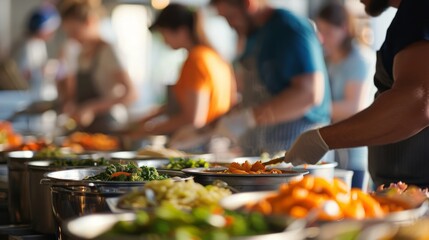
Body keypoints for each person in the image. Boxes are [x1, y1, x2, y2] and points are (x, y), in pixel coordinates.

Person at [285, 0, 429, 188]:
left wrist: (322, 139)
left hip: (419, 196)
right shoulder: (410, 15)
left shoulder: (419, 10)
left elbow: (416, 102)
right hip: (402, 190)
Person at [175, 0, 331, 156]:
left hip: (297, 152)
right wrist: (207, 129)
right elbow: (256, 97)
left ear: (249, 4)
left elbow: (308, 93)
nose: (230, 25)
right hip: (264, 152)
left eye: (231, 17)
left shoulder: (288, 29)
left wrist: (248, 119)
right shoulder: (254, 35)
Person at [127, 3, 235, 138]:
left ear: (181, 31)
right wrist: (145, 120)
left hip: (199, 143)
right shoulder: (214, 57)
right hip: (218, 139)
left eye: (163, 33)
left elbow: (193, 119)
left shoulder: (196, 60)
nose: (163, 40)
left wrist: (147, 130)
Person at [316, 2, 375, 189]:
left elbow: (353, 107)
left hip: (354, 152)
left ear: (344, 29)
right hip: (332, 148)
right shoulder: (328, 58)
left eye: (328, 32)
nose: (323, 39)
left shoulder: (359, 58)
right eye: (320, 32)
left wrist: (310, 107)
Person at [57, 0, 137, 133]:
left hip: (109, 125)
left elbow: (132, 94)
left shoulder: (109, 51)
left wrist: (92, 108)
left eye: (75, 32)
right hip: (86, 127)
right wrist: (70, 104)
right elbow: (73, 91)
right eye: (69, 34)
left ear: (90, 22)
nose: (72, 38)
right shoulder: (79, 53)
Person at [14, 3, 61, 100]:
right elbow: (21, 75)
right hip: (29, 97)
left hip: (39, 95)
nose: (53, 33)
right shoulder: (27, 46)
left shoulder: (39, 44)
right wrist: (44, 70)